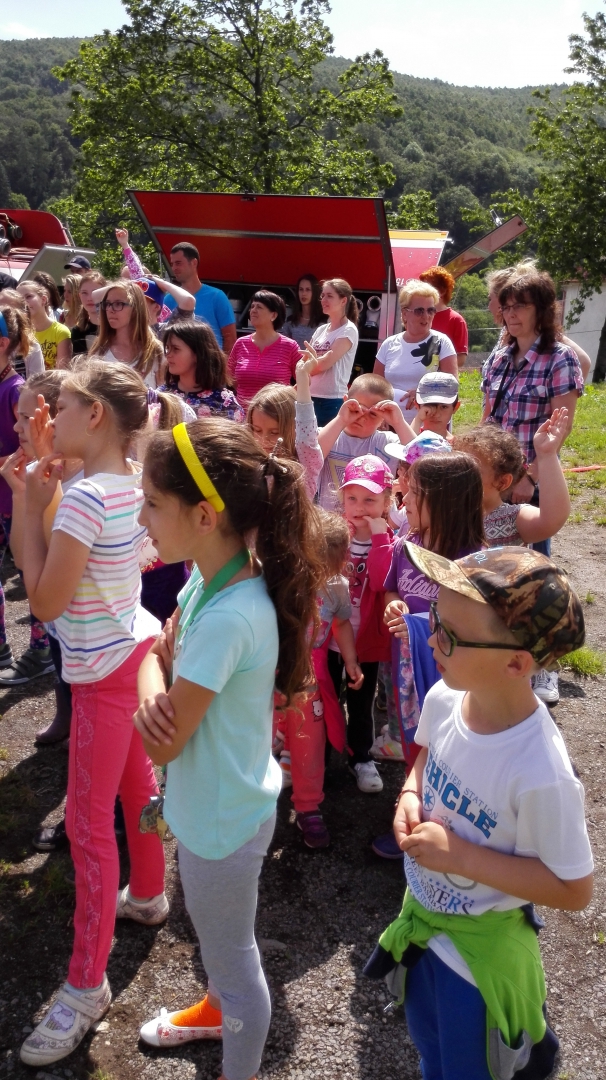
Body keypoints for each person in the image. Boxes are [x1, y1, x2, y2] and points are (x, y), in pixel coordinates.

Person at [132, 417, 324, 1073]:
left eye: (152, 503)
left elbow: (162, 742)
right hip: (221, 803)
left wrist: (150, 664)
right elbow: (164, 651)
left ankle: (236, 1046)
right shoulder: (210, 575)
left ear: (204, 515)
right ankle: (216, 1009)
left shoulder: (227, 615)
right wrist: (158, 662)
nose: (141, 517)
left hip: (220, 826)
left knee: (235, 964)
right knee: (219, 943)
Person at [366, 545, 592, 1080]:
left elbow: (574, 889)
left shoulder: (541, 771)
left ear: (516, 663)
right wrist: (409, 796)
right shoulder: (447, 697)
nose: (431, 640)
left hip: (480, 961)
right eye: (434, 619)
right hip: (421, 926)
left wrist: (461, 858)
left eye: (449, 634)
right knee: (430, 1052)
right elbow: (424, 760)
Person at [20, 360, 167, 1067]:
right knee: (140, 789)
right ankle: (150, 893)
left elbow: (44, 602)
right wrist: (40, 478)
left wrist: (28, 505)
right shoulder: (130, 481)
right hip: (133, 651)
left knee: (86, 828)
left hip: (100, 673)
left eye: (65, 406)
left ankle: (86, 985)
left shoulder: (83, 498)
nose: (54, 416)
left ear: (96, 416)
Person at [371, 451, 485, 859]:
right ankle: (413, 819)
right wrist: (394, 605)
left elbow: (475, 626)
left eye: (415, 494)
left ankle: (434, 830)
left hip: (448, 680)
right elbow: (391, 589)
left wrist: (422, 624)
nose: (404, 502)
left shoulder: (474, 562)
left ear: (444, 501)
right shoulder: (406, 547)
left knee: (446, 751)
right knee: (412, 744)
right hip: (405, 674)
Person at [275, 510, 363, 848]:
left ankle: (308, 806)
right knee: (260, 737)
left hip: (311, 680)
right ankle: (251, 799)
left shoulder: (337, 587)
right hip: (271, 674)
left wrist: (351, 660)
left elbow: (340, 624)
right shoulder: (281, 579)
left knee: (310, 743)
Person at [327, 454, 396, 794]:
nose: (359, 506)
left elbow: (382, 580)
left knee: (361, 701)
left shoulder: (390, 539)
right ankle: (317, 754)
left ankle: (361, 756)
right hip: (328, 637)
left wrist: (381, 538)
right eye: (352, 497)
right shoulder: (333, 533)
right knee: (324, 697)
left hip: (365, 638)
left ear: (387, 501)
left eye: (370, 499)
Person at [0, 308, 54, 684]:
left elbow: (28, 449)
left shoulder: (16, 391)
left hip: (15, 500)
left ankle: (42, 649)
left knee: (29, 570)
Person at [454, 413, 571, 550]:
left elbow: (552, 520)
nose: (459, 474)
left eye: (471, 470)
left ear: (502, 482)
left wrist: (547, 454)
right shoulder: (446, 510)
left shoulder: (511, 518)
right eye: (457, 467)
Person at [316, 372, 414, 511]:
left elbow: (422, 460)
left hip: (375, 522)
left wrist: (399, 422)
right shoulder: (328, 434)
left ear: (383, 419)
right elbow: (310, 458)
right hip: (330, 521)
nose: (362, 417)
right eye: (356, 408)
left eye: (373, 414)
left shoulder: (389, 443)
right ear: (345, 402)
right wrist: (341, 419)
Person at [373, 279, 458, 423]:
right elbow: (375, 386)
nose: (426, 316)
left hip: (428, 424)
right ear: (405, 313)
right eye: (419, 311)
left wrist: (421, 392)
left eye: (431, 310)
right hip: (390, 423)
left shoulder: (441, 342)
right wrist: (378, 418)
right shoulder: (389, 344)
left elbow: (452, 385)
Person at [228, 290, 300, 409]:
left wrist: (287, 398)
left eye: (259, 307)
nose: (253, 310)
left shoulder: (290, 346)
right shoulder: (241, 343)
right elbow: (230, 378)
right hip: (242, 415)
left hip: (276, 414)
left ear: (273, 315)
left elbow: (305, 380)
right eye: (252, 306)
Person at [159, 319, 244, 420]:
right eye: (167, 348)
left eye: (176, 349)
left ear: (198, 354)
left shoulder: (224, 403)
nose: (168, 355)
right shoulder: (161, 396)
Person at [305, 278, 359, 426]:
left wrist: (305, 368)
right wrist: (306, 368)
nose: (324, 300)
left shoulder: (348, 330)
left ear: (343, 301)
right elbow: (306, 361)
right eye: (322, 295)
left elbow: (322, 365)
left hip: (331, 401)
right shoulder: (321, 330)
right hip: (309, 396)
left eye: (329, 296)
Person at [90, 280, 165, 388]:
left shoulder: (156, 351)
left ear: (135, 309)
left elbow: (163, 394)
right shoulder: (100, 350)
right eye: (107, 304)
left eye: (118, 304)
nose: (110, 310)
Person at [164, 241, 236, 350]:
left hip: (210, 360)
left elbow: (230, 339)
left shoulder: (217, 297)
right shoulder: (168, 300)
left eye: (178, 263)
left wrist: (223, 362)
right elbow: (162, 337)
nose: (174, 268)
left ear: (194, 263)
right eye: (172, 264)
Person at [419, 265, 468, 368]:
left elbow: (461, 358)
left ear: (442, 291)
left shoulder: (456, 320)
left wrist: (433, 368)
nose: (422, 292)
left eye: (427, 288)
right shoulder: (417, 315)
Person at [16, 281, 72, 370]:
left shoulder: (60, 331)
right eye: (20, 299)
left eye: (29, 296)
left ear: (43, 299)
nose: (24, 302)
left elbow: (62, 372)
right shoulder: (19, 334)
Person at [0, 288, 45, 377]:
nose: (2, 312)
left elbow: (37, 382)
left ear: (22, 316)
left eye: (8, 310)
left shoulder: (32, 347)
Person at [410, 371, 460, 441]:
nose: (436, 414)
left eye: (443, 407)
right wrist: (418, 419)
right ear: (417, 406)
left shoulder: (459, 445)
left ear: (455, 407)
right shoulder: (410, 438)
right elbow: (407, 446)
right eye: (428, 407)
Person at [282, 273, 325, 348]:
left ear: (315, 292)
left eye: (308, 290)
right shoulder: (291, 321)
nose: (303, 293)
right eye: (301, 289)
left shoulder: (324, 321)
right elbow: (284, 345)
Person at [71, 270, 106, 357]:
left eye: (95, 292)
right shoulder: (78, 331)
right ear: (79, 296)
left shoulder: (115, 327)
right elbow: (79, 363)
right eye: (84, 293)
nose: (89, 298)